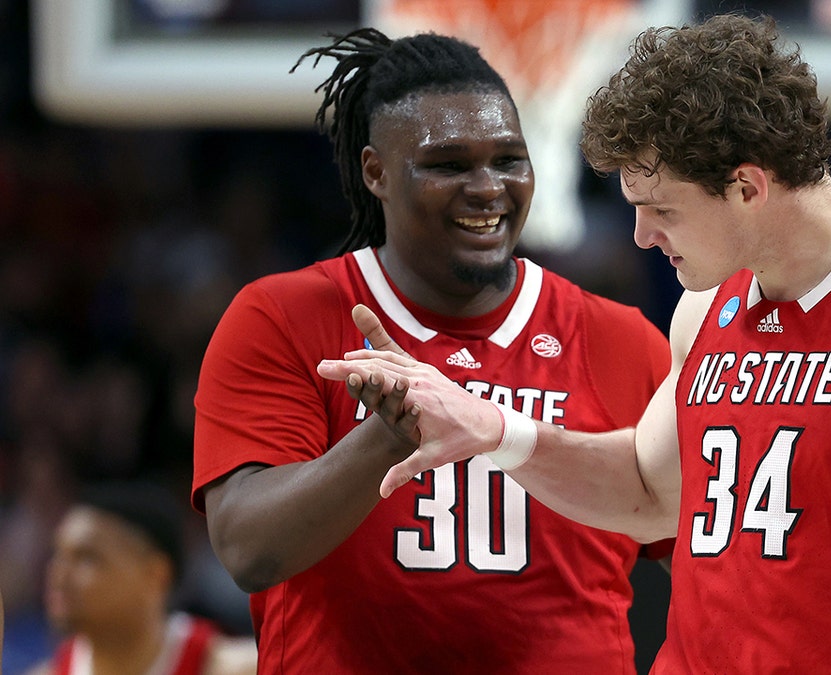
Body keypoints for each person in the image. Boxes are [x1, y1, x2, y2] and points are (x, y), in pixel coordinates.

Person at [318, 13, 831, 673]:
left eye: (660, 209)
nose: (642, 237)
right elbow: (651, 495)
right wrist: (493, 429)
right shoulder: (707, 308)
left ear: (748, 186)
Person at [192, 28, 672, 673]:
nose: (487, 187)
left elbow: (701, 548)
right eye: (448, 165)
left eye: (508, 159)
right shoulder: (283, 316)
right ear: (376, 173)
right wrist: (389, 433)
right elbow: (250, 550)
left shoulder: (621, 340)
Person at [29, 482, 256, 675]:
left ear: (155, 573)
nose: (59, 574)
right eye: (57, 555)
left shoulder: (239, 668)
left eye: (87, 558)